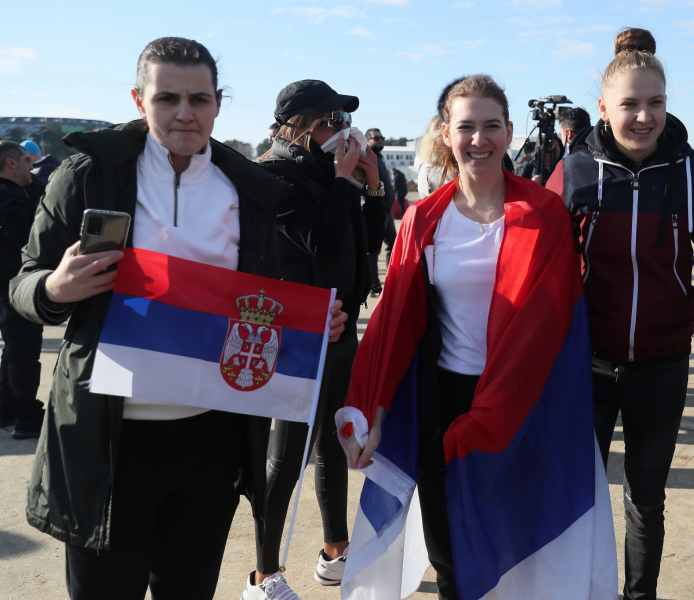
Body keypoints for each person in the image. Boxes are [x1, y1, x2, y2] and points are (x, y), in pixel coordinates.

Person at [9, 37, 347, 600]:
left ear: (218, 104)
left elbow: (259, 300)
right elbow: (22, 283)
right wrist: (54, 287)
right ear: (139, 100)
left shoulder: (249, 190)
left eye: (200, 98)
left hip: (209, 441)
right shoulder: (88, 175)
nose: (185, 113)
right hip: (106, 437)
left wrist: (312, 325)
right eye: (167, 98)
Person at [340, 74, 606, 600]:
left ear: (509, 133)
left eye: (491, 127)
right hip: (446, 411)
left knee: (521, 555)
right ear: (446, 134)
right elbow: (397, 322)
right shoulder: (424, 219)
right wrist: (372, 408)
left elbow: (547, 333)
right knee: (454, 562)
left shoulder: (544, 214)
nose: (478, 140)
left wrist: (493, 415)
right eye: (466, 127)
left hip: (524, 410)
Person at [547, 28, 694, 600]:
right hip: (585, 365)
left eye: (654, 103)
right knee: (576, 495)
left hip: (662, 366)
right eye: (629, 104)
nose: (643, 117)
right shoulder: (575, 173)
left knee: (645, 499)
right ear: (604, 108)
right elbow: (539, 263)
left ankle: (639, 595)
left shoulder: (693, 173)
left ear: (667, 105)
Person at [246, 79, 384, 598]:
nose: (340, 131)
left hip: (340, 324)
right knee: (287, 454)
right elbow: (319, 244)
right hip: (295, 334)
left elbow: (364, 244)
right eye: (330, 121)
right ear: (299, 125)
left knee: (332, 441)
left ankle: (335, 550)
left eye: (343, 121)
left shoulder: (331, 173)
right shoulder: (271, 175)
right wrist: (343, 180)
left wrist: (370, 186)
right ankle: (263, 573)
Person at [0, 141, 44, 439]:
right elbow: (27, 241)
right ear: (11, 164)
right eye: (27, 160)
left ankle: (8, 409)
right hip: (14, 285)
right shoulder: (7, 197)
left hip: (10, 283)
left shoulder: (14, 194)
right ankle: (27, 418)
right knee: (23, 353)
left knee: (15, 351)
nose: (32, 166)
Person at [365, 127, 396, 297]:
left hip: (388, 211)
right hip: (375, 212)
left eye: (382, 137)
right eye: (376, 138)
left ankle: (393, 281)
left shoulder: (379, 159)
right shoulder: (365, 158)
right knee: (373, 251)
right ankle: (374, 286)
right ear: (367, 140)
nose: (380, 140)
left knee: (393, 246)